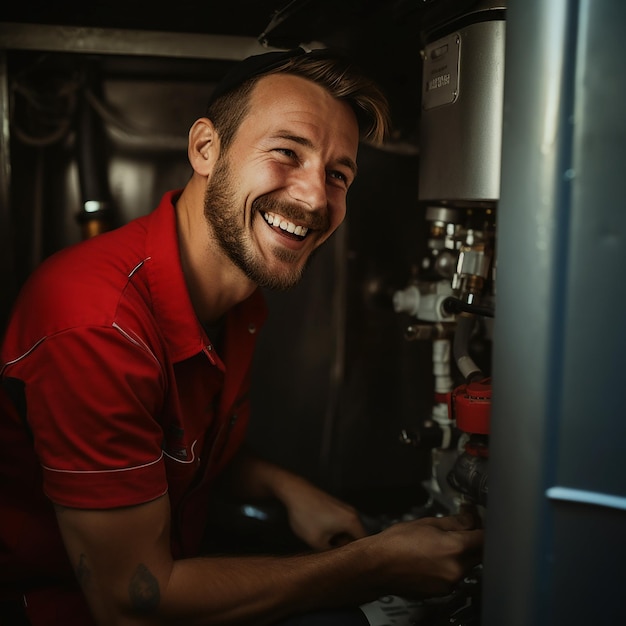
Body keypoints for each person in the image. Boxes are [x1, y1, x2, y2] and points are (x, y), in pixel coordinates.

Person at [0, 47, 483, 625]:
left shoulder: (238, 297)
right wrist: (371, 563)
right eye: (286, 153)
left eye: (337, 175)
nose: (312, 197)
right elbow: (132, 600)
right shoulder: (95, 321)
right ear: (206, 148)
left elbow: (176, 447)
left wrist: (284, 489)